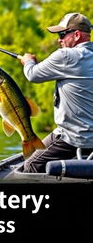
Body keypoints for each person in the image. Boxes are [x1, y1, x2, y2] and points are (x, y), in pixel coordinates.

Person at [20, 12, 93, 173]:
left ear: (76, 35)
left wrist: (28, 62)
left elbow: (33, 74)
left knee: (30, 165)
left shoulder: (66, 55)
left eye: (62, 34)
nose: (59, 39)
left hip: (74, 137)